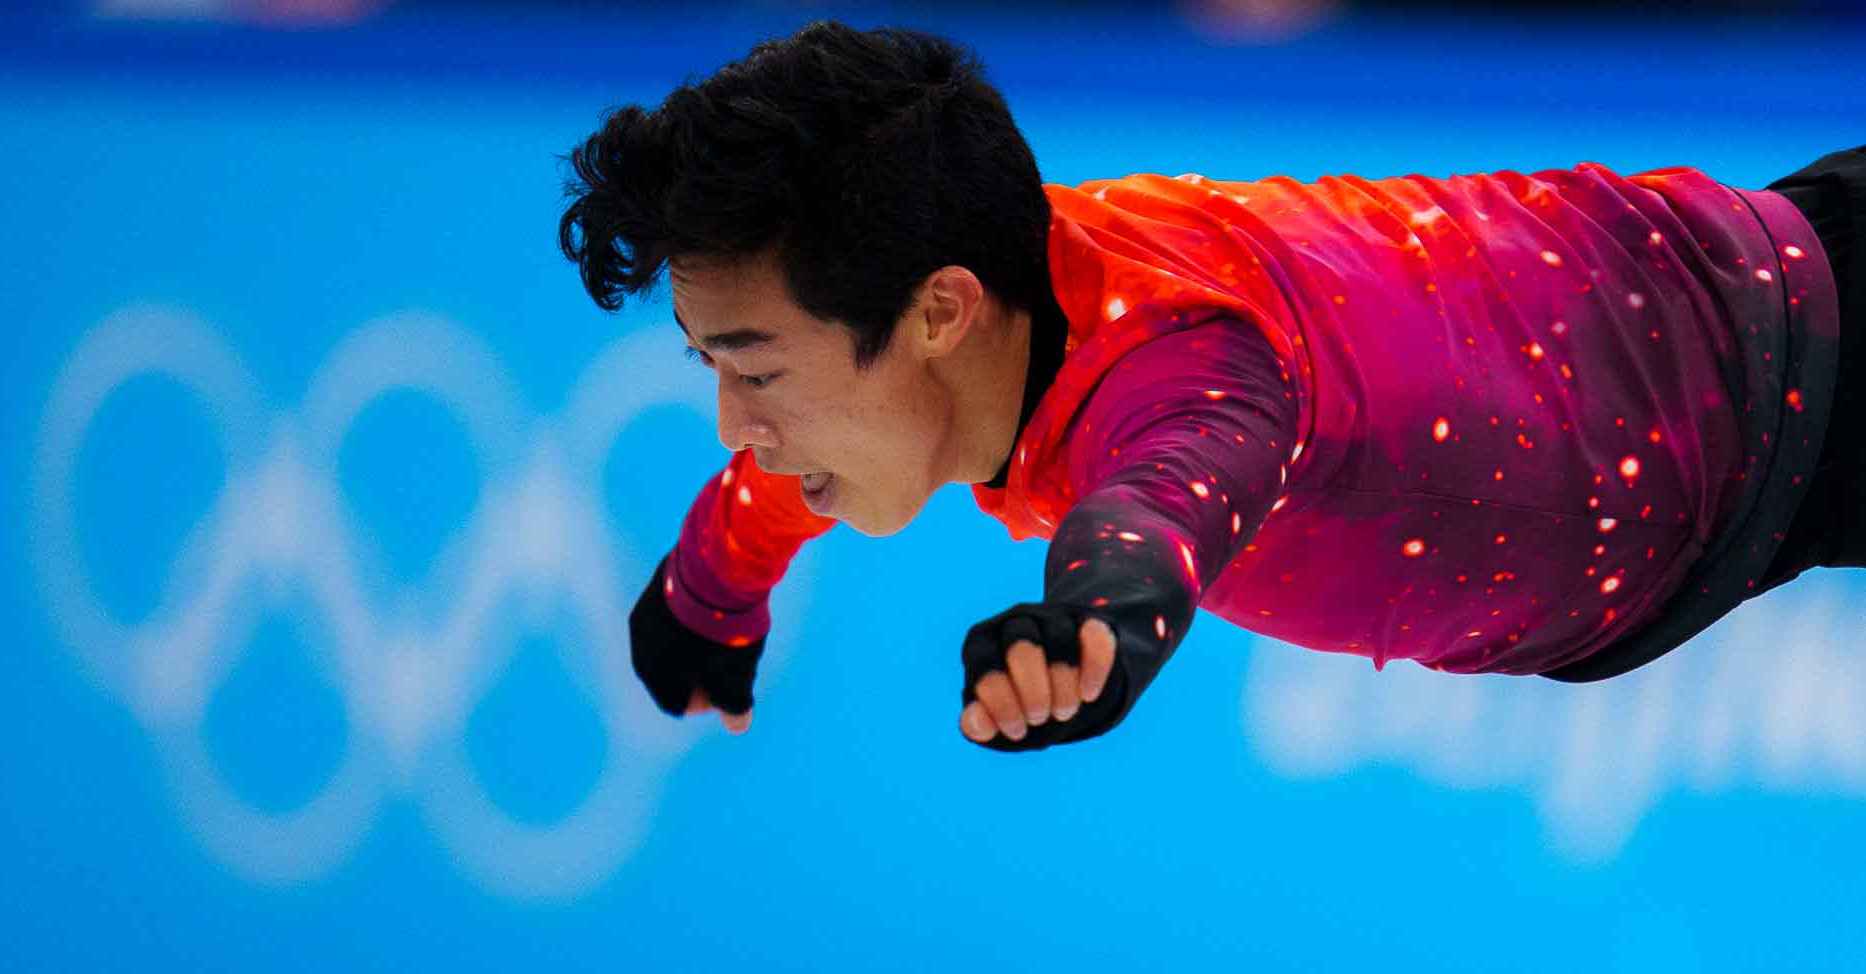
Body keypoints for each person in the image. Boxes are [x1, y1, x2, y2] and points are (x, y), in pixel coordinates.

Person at [556, 20, 1854, 753]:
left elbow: (1161, 518)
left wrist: (1089, 638)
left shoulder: (1175, 361)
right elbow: (788, 466)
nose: (739, 423)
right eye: (715, 369)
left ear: (940, 310)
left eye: (756, 368)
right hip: (1786, 368)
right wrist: (709, 589)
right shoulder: (1004, 284)